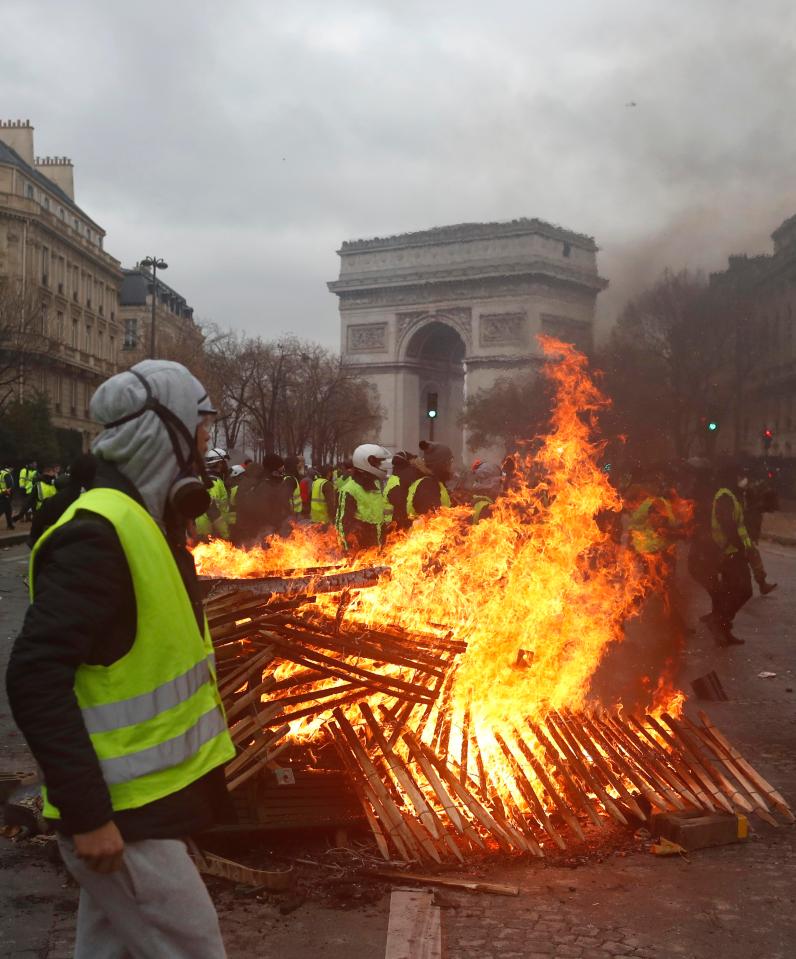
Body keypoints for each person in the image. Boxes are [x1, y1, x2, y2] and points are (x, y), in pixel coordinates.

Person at [5, 360, 234, 958]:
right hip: (123, 818)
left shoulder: (144, 522)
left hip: (143, 809)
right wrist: (86, 816)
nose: (207, 445)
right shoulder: (101, 534)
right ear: (166, 433)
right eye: (201, 428)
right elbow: (33, 675)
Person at [704, 470, 755, 646]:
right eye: (741, 476)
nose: (744, 480)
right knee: (744, 590)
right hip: (731, 552)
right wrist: (741, 548)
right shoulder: (725, 497)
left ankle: (724, 631)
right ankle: (719, 621)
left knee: (729, 591)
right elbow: (729, 527)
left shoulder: (729, 495)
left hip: (732, 551)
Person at [231, 453, 294, 546]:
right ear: (274, 469)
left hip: (269, 533)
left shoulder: (273, 483)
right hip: (263, 536)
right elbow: (265, 514)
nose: (283, 470)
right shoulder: (264, 486)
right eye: (281, 467)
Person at [335, 444, 389, 551]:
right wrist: (347, 551)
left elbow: (378, 520)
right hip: (359, 554)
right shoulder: (349, 490)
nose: (380, 466)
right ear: (366, 462)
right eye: (377, 463)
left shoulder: (376, 486)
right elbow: (341, 525)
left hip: (377, 551)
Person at [738, 467, 777, 595]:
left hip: (744, 535)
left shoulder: (752, 506)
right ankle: (761, 584)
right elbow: (750, 525)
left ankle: (760, 584)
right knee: (751, 557)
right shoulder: (753, 510)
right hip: (744, 535)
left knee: (747, 558)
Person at [406, 441, 453, 520]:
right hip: (427, 531)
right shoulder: (428, 485)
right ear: (441, 464)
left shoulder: (433, 482)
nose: (451, 465)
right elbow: (431, 520)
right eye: (450, 461)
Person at [194, 447, 231, 540]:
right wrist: (226, 534)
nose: (227, 466)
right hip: (210, 532)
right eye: (225, 462)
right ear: (219, 463)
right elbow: (212, 509)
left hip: (203, 530)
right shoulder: (212, 482)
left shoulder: (201, 479)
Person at [384, 450, 423, 530]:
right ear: (407, 461)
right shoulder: (409, 474)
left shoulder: (393, 477)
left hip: (389, 522)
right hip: (402, 521)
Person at [0, 464, 14, 529]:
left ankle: (10, 525)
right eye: (12, 468)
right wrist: (8, 493)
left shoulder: (1, 473)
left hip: (1, 494)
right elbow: (9, 485)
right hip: (5, 494)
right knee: (2, 510)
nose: (12, 470)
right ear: (10, 468)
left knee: (8, 510)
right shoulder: (7, 474)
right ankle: (10, 525)